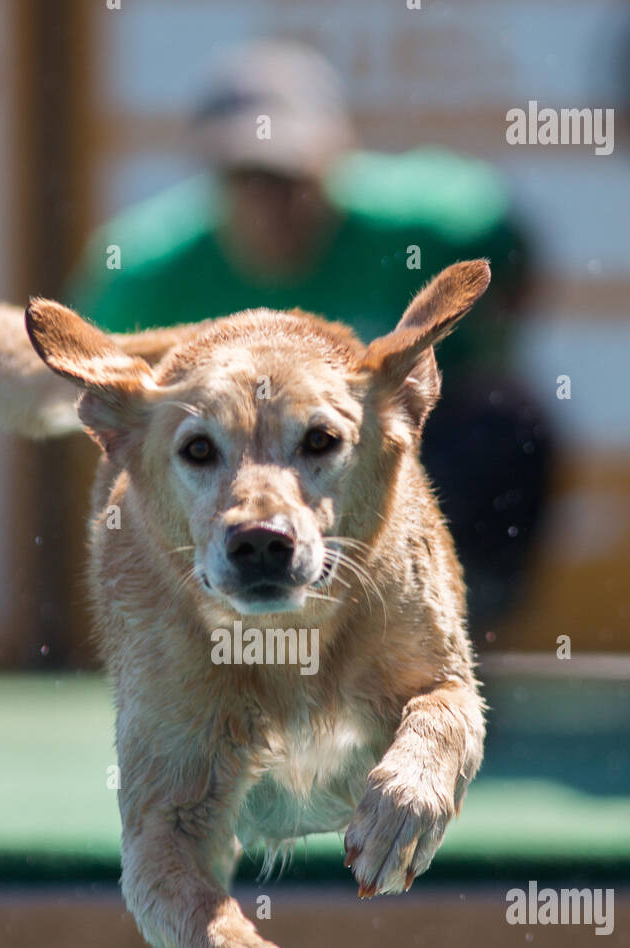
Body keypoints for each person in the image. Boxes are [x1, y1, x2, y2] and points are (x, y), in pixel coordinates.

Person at [69, 41, 552, 633]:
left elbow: (508, 248)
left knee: (505, 419)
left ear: (337, 158)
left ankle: (458, 616)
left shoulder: (434, 224)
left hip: (396, 460)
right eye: (248, 178)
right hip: (222, 504)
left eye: (290, 176)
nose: (271, 203)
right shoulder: (143, 276)